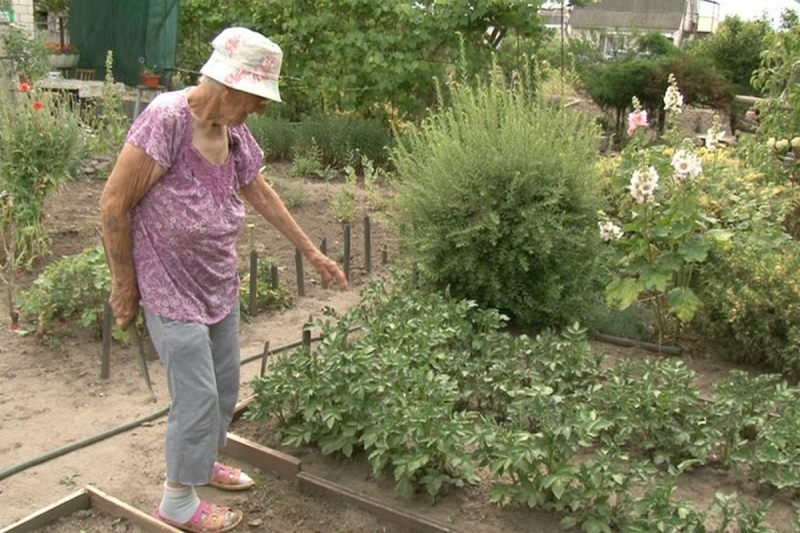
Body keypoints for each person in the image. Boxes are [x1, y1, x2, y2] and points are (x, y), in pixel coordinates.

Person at [100, 27, 348, 533]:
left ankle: (202, 463)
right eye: (255, 99)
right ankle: (177, 501)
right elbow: (112, 202)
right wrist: (124, 284)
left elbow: (260, 191)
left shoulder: (232, 131)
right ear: (228, 85)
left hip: (217, 283)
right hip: (169, 286)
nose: (258, 111)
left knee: (225, 390)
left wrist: (310, 250)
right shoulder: (167, 119)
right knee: (195, 396)